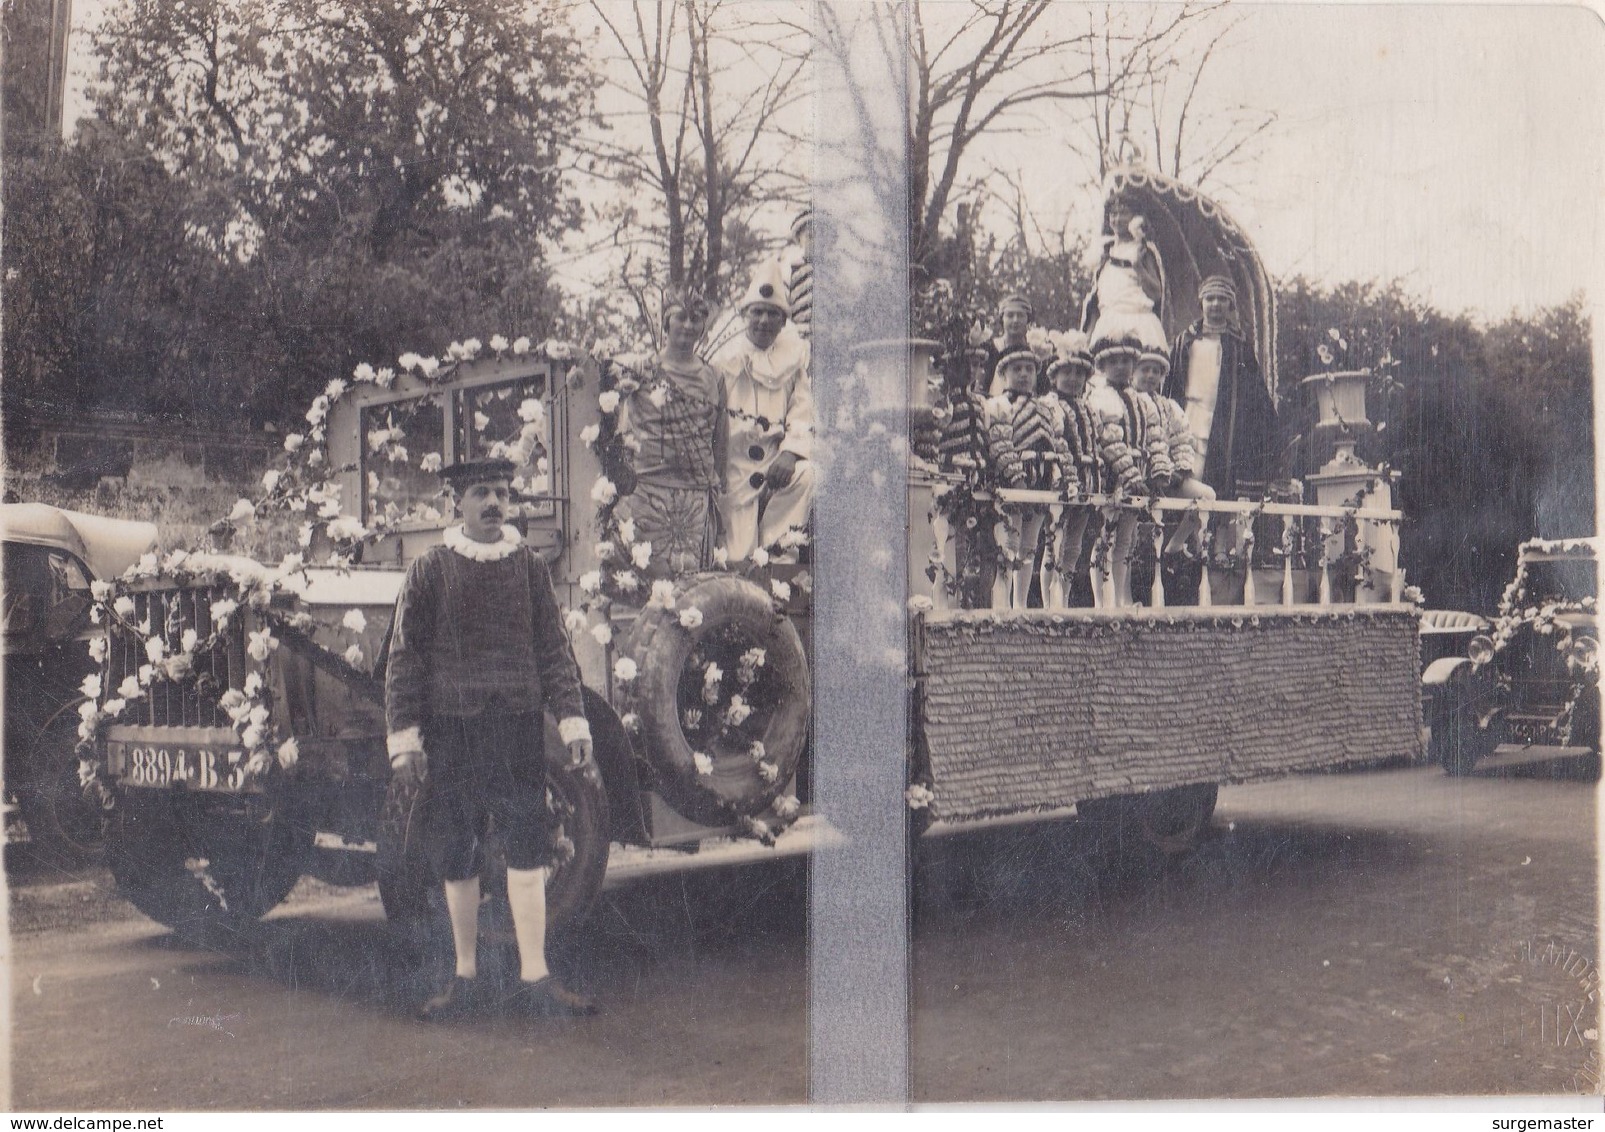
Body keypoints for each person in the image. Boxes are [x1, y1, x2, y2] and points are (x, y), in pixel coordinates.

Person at [386, 457, 598, 1021]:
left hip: (518, 726)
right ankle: (466, 979)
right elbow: (404, 659)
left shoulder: (528, 566)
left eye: (503, 493)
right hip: (453, 730)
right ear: (457, 502)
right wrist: (404, 740)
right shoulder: (430, 569)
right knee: (458, 848)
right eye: (481, 492)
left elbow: (554, 650)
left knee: (527, 844)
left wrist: (572, 722)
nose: (494, 503)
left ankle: (535, 979)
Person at [615, 293, 727, 577]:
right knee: (648, 577)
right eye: (681, 317)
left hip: (695, 493)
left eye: (696, 319)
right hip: (650, 489)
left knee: (691, 580)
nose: (688, 326)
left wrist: (718, 476)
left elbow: (720, 432)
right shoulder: (640, 369)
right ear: (666, 323)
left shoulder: (713, 376)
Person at [712, 261, 816, 563]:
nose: (763, 321)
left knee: (807, 474)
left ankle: (776, 554)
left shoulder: (792, 360)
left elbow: (803, 413)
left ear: (783, 322)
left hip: (773, 461)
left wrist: (790, 453)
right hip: (732, 466)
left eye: (773, 314)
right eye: (757, 312)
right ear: (746, 315)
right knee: (735, 557)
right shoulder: (724, 358)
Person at [1165, 274, 1279, 502]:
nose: (1215, 304)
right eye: (1210, 299)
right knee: (1186, 481)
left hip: (1222, 424)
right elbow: (1170, 386)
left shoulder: (1238, 346)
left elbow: (1254, 394)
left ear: (1230, 305)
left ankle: (1210, 535)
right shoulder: (1184, 342)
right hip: (1188, 417)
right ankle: (1184, 536)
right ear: (1201, 303)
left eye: (1221, 299)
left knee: (1216, 486)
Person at [985, 346, 1068, 608]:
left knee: (1029, 547)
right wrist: (1016, 478)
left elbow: (1056, 445)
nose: (1023, 374)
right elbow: (1000, 444)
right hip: (1012, 484)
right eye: (1016, 369)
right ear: (1003, 373)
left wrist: (1059, 476)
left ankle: (1020, 606)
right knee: (1009, 544)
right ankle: (1003, 607)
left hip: (1040, 483)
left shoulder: (1045, 408)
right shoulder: (999, 405)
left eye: (1029, 369)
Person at [1133, 339, 1215, 558]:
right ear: (1133, 371)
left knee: (1206, 495)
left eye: (1156, 371)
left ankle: (1175, 546)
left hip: (1168, 474)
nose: (1150, 376)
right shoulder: (1128, 402)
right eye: (1145, 370)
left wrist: (1179, 468)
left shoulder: (1169, 407)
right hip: (1139, 475)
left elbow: (1180, 440)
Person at [1041, 330, 1100, 608]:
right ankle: (1046, 601)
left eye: (1079, 374)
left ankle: (1062, 600)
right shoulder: (1049, 405)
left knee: (1074, 545)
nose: (1073, 379)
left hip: (1085, 482)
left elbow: (1093, 444)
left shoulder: (1088, 408)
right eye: (1067, 373)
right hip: (1061, 480)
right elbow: (1054, 440)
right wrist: (1065, 477)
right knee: (1053, 543)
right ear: (1054, 377)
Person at [1082, 193, 1167, 352]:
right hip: (1108, 324)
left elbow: (1156, 294)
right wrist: (1088, 336)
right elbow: (1096, 300)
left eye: (1124, 213)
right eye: (1114, 214)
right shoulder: (1104, 252)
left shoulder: (1144, 250)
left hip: (1139, 325)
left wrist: (1139, 268)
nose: (1118, 219)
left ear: (1136, 218)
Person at [984, 293, 1035, 396]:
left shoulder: (1034, 350)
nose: (1015, 320)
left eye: (1020, 315)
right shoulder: (990, 348)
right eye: (1010, 315)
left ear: (1028, 319)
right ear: (1002, 319)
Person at [784, 209, 812, 340]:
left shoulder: (836, 274)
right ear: (799, 240)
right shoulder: (791, 272)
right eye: (810, 236)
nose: (816, 241)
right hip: (799, 338)